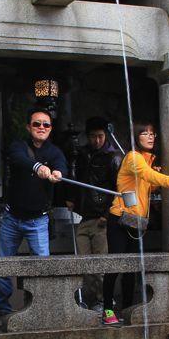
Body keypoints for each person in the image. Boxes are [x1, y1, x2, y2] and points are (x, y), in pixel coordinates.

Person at [102, 121, 169, 326]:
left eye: (152, 133)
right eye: (145, 133)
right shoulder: (133, 157)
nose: (150, 137)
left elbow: (148, 182)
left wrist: (158, 183)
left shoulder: (148, 160)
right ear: (136, 137)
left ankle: (128, 309)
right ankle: (107, 309)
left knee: (133, 268)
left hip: (138, 221)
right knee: (115, 265)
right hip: (120, 217)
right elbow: (148, 175)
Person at [0, 108, 68, 323]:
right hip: (12, 218)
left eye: (46, 124)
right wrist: (37, 167)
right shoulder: (19, 145)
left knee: (42, 268)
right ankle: (3, 310)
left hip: (38, 220)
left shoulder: (55, 152)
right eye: (37, 124)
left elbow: (61, 165)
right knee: (3, 266)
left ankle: (38, 310)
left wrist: (58, 173)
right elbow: (17, 159)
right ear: (29, 127)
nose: (41, 128)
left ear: (51, 129)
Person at [66, 116, 122, 308]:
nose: (96, 141)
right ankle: (89, 299)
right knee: (84, 263)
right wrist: (72, 199)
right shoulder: (82, 154)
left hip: (101, 217)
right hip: (84, 215)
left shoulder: (113, 157)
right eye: (92, 137)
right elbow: (76, 178)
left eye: (100, 136)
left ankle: (103, 300)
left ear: (105, 135)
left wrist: (107, 215)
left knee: (100, 264)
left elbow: (118, 189)